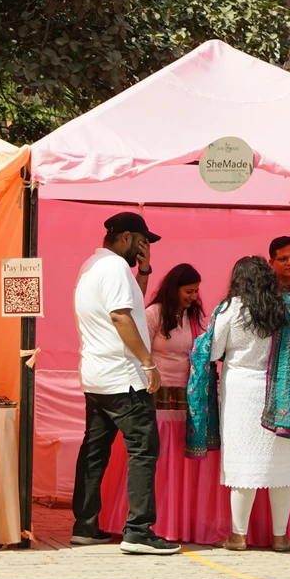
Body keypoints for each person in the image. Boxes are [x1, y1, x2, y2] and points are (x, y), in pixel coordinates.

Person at [70, 212, 179, 556]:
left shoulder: (92, 266)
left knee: (94, 452)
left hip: (96, 377)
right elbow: (120, 317)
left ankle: (85, 526)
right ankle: (138, 530)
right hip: (124, 378)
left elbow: (128, 308)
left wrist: (143, 273)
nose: (144, 247)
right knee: (143, 450)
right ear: (127, 237)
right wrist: (148, 363)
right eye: (142, 241)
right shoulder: (115, 268)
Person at [188, 257, 290, 552]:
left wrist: (199, 346)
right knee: (281, 469)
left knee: (243, 466)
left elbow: (214, 350)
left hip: (242, 394)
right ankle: (281, 537)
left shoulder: (232, 308)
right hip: (284, 395)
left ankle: (238, 536)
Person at [145, 263, 204, 408]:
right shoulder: (154, 313)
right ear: (174, 290)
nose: (194, 297)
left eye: (196, 291)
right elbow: (142, 351)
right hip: (157, 390)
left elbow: (202, 350)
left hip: (187, 392)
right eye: (189, 291)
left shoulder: (194, 316)